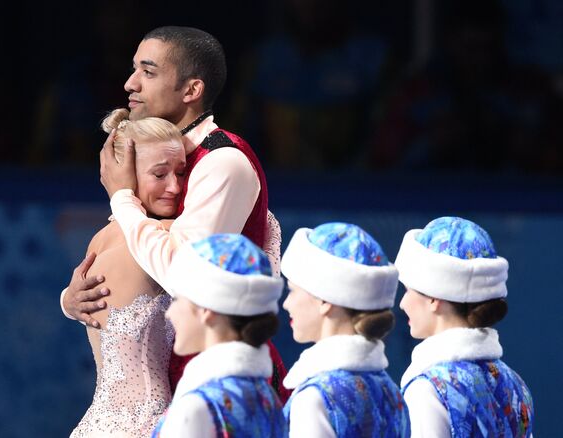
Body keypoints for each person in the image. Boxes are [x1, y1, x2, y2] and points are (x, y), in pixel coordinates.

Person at [61, 26, 288, 400]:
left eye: (148, 72)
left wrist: (121, 197)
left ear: (191, 90)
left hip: (222, 390)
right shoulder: (157, 157)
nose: (130, 84)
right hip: (171, 389)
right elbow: (130, 273)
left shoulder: (223, 161)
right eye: (134, 69)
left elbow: (182, 276)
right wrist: (71, 301)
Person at [70, 108, 186, 437]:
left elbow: (77, 301)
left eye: (181, 172)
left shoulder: (100, 237)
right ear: (127, 175)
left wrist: (67, 302)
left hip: (97, 425)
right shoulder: (165, 237)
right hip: (148, 425)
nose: (176, 187)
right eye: (160, 174)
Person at [394, 216, 534, 437]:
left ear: (433, 297)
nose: (402, 304)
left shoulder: (428, 391)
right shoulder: (515, 385)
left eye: (408, 290)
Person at [280, 222, 410, 437]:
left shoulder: (314, 398)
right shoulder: (391, 391)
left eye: (292, 291)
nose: (286, 304)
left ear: (324, 300)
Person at [151, 233, 287, 437]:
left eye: (178, 299)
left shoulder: (197, 407)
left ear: (207, 310)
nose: (170, 313)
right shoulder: (267, 399)